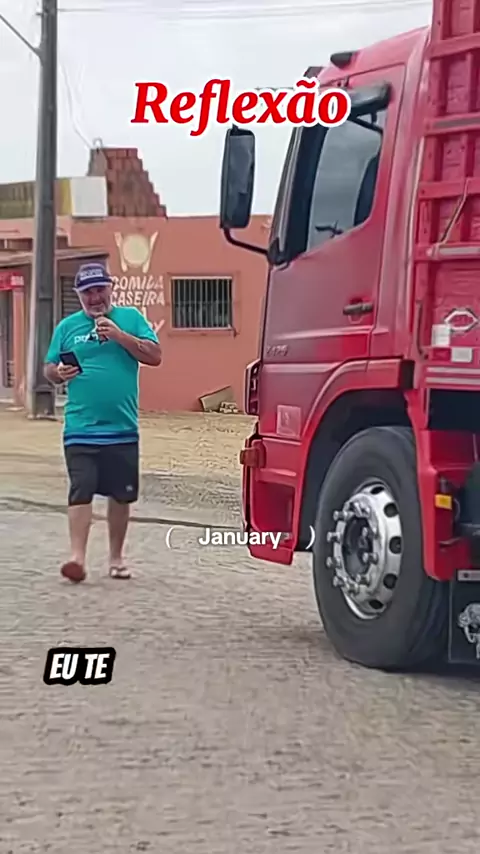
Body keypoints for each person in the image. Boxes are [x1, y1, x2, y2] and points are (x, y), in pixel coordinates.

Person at [44, 261, 162, 583]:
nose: (95, 298)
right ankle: (77, 558)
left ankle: (116, 558)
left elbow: (155, 356)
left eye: (100, 290)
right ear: (79, 295)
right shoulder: (67, 327)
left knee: (121, 495)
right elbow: (49, 368)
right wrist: (59, 373)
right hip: (80, 427)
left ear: (111, 288)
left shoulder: (130, 318)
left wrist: (119, 336)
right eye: (88, 293)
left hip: (122, 427)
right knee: (80, 488)